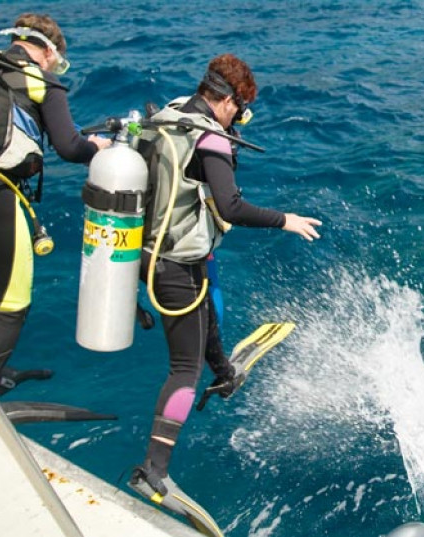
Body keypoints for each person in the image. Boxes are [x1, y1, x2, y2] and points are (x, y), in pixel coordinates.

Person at [127, 53, 321, 532]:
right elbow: (230, 206)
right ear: (230, 101)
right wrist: (285, 220)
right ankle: (153, 472)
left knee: (204, 311)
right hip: (176, 264)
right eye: (243, 107)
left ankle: (224, 372)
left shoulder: (171, 113)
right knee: (181, 371)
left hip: (150, 252)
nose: (242, 117)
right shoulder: (210, 134)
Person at [0, 13, 110, 438]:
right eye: (59, 62)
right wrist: (98, 148)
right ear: (48, 50)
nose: (56, 69)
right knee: (13, 305)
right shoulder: (39, 79)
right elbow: (70, 147)